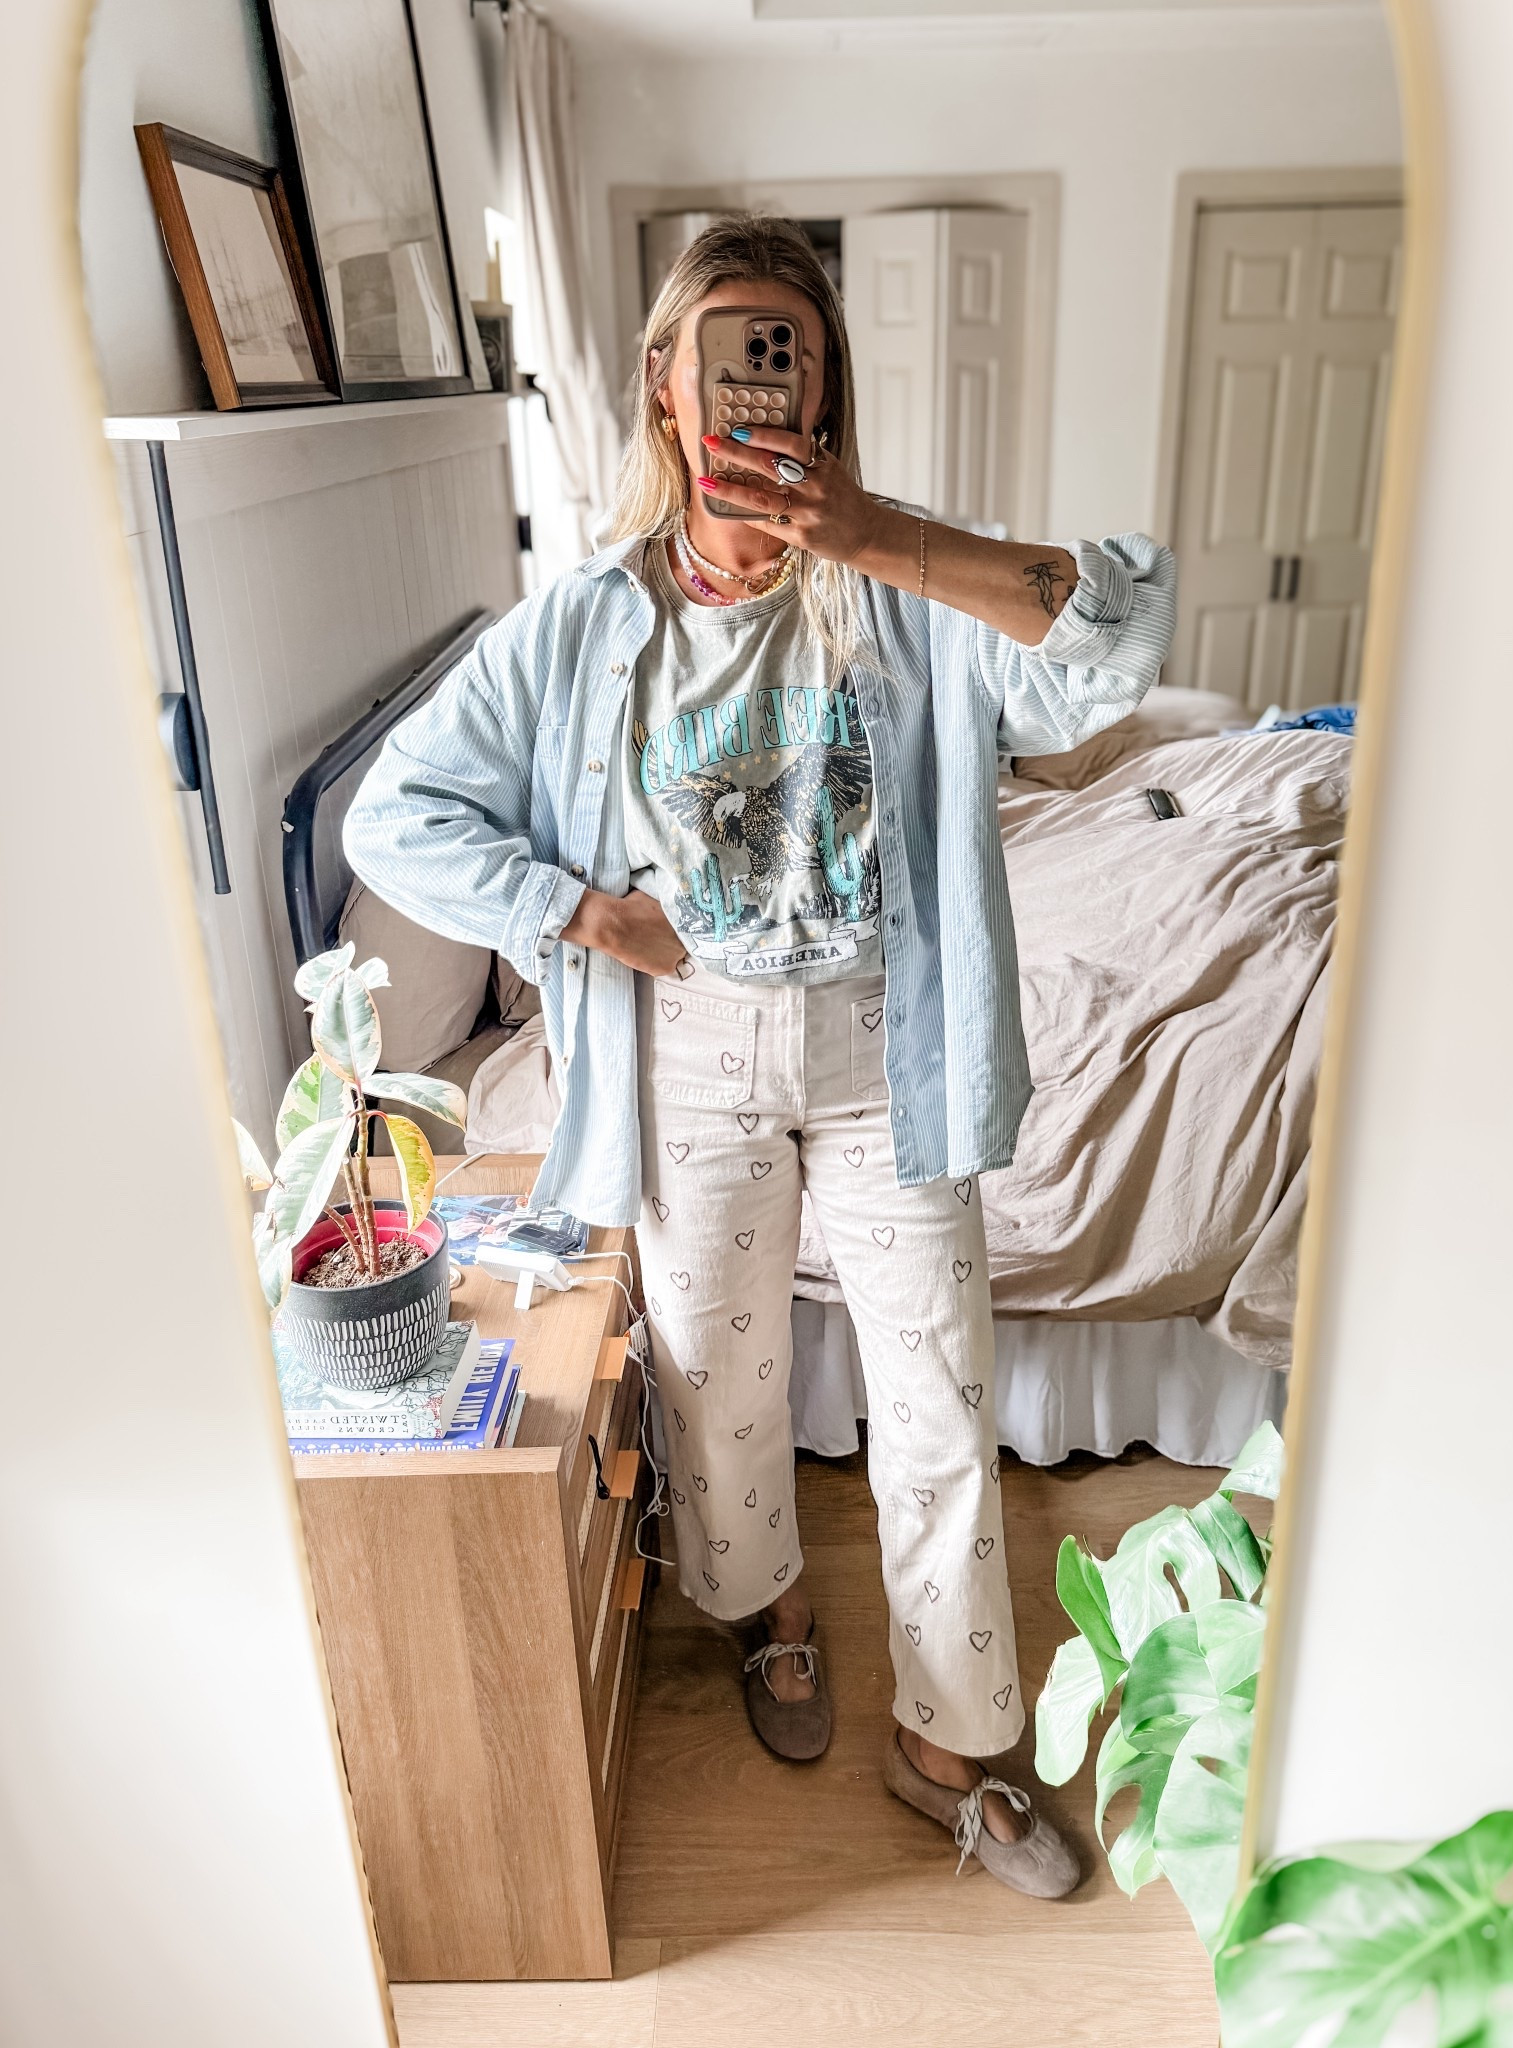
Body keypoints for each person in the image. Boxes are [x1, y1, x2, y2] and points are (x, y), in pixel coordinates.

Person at [345, 214, 1175, 1898]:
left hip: (889, 1049)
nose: (754, 385)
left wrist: (875, 532)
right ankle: (771, 1610)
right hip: (693, 1052)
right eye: (725, 348)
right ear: (664, 383)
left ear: (824, 388)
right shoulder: (581, 628)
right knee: (715, 1388)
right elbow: (393, 812)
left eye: (786, 352)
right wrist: (582, 913)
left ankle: (953, 1744)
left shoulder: (905, 594)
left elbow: (1115, 637)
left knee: (937, 1398)